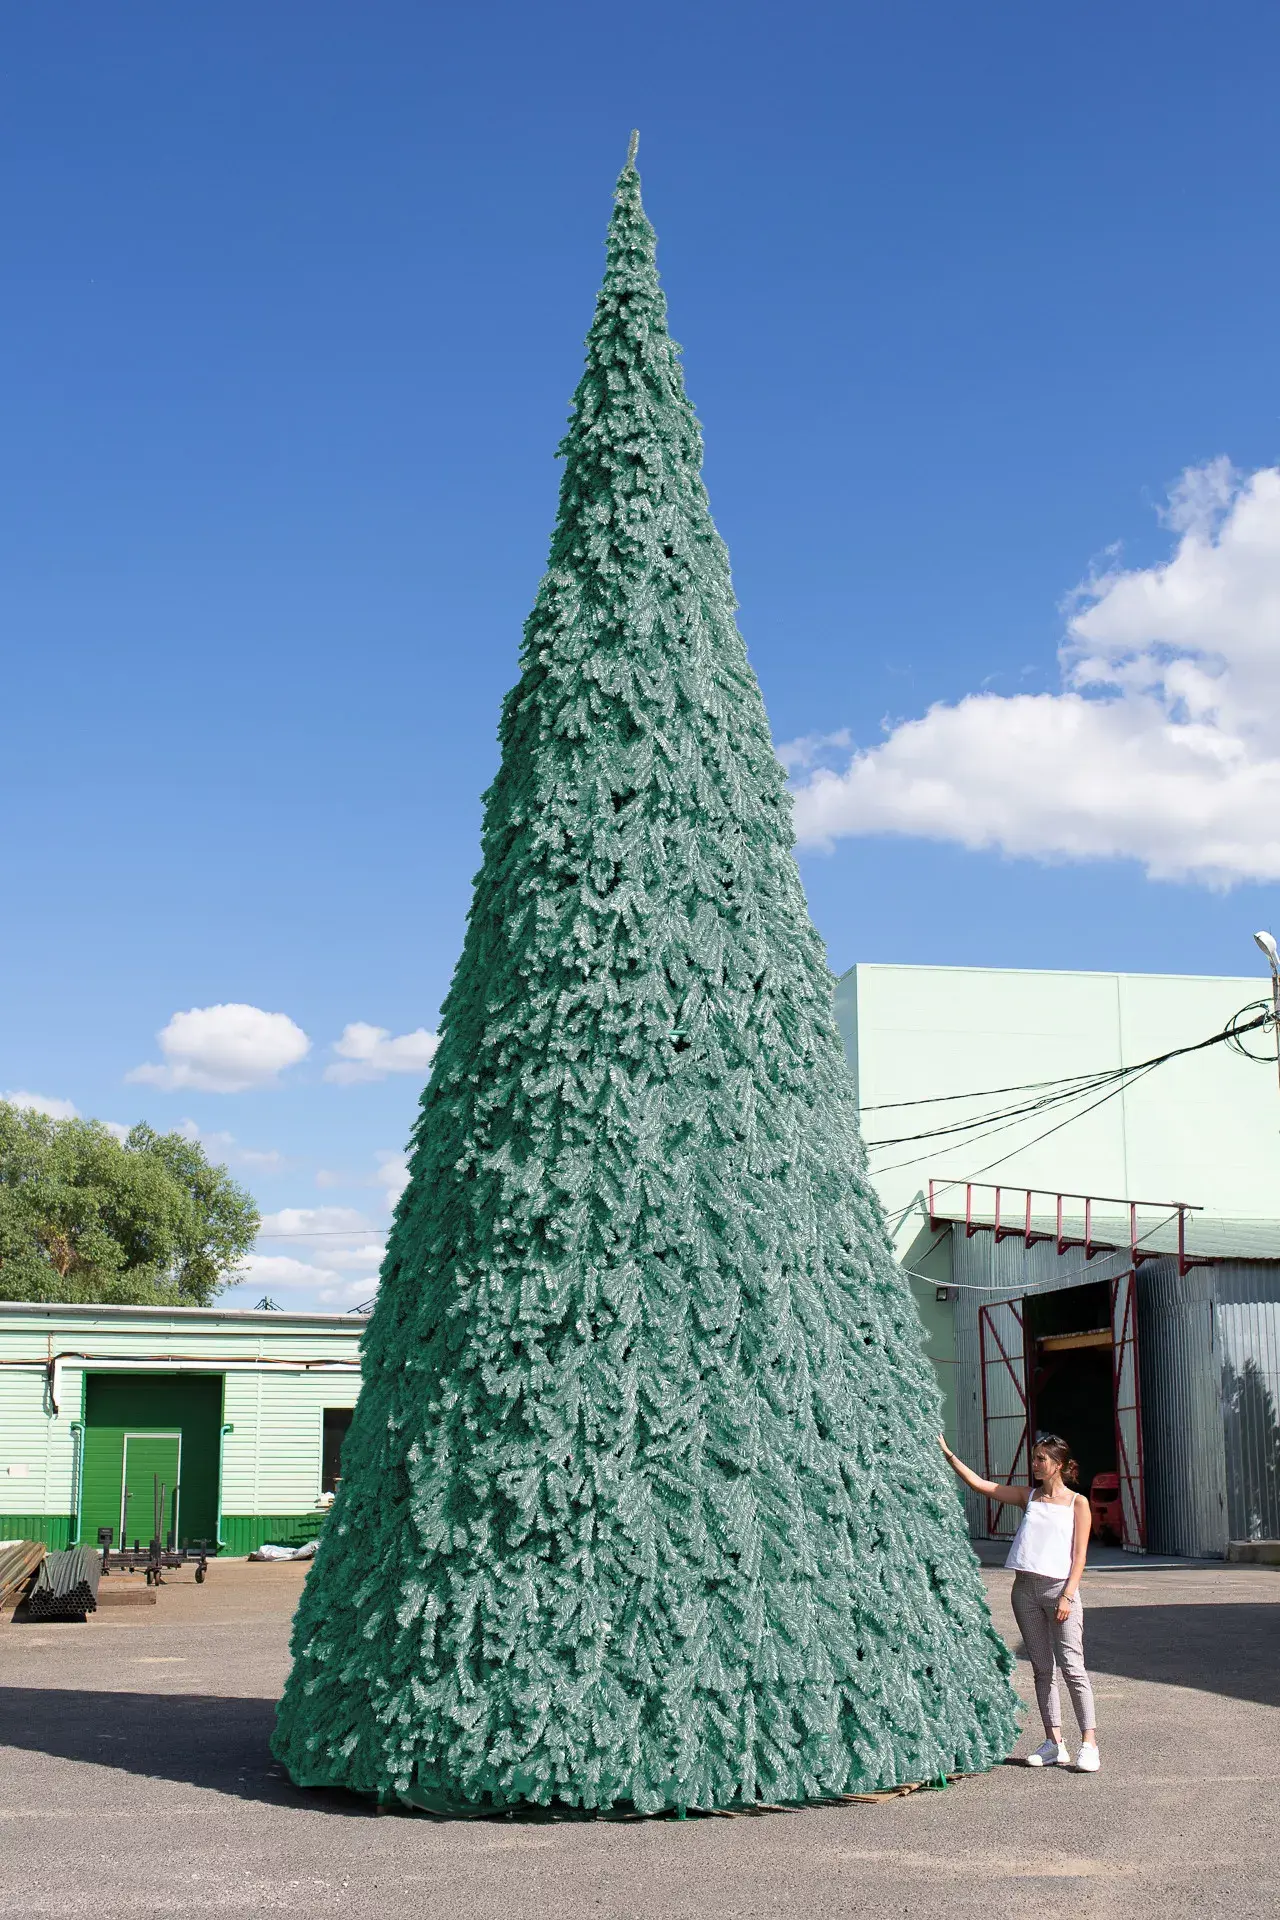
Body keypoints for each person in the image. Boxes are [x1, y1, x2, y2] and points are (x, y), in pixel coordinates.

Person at [940, 1431, 1100, 1772]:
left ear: (1058, 1464)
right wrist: (949, 1455)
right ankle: (1054, 1743)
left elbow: (1080, 1557)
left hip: (1059, 1590)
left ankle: (1089, 1744)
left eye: (1041, 1459)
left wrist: (1067, 1595)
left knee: (1072, 1668)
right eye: (1034, 1458)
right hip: (1024, 1590)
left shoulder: (1077, 1503)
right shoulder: (1028, 1496)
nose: (1035, 1464)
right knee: (1042, 1669)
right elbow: (981, 1486)